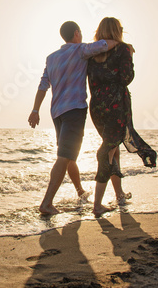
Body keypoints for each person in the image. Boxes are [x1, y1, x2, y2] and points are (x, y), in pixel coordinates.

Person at [28, 21, 118, 215]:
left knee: (69, 156)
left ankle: (80, 192)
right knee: (65, 156)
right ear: (76, 33)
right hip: (74, 110)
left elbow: (43, 86)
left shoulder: (51, 58)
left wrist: (35, 110)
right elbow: (103, 45)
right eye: (81, 33)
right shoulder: (80, 50)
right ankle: (46, 203)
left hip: (57, 113)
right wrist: (119, 42)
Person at [87, 17, 157, 218]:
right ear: (117, 31)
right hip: (116, 105)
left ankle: (119, 195)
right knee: (107, 151)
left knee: (113, 148)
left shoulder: (92, 53)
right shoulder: (124, 49)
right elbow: (126, 78)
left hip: (97, 107)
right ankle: (97, 205)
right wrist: (129, 55)